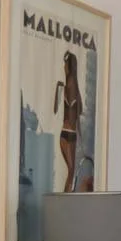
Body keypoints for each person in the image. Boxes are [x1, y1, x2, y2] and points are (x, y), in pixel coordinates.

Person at [52, 50, 83, 193]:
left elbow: (55, 109)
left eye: (65, 64)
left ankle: (65, 199)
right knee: (71, 172)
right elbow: (79, 112)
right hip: (70, 134)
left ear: (70, 67)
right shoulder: (74, 89)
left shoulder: (66, 87)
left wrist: (59, 89)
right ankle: (65, 200)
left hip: (67, 134)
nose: (64, 66)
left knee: (70, 173)